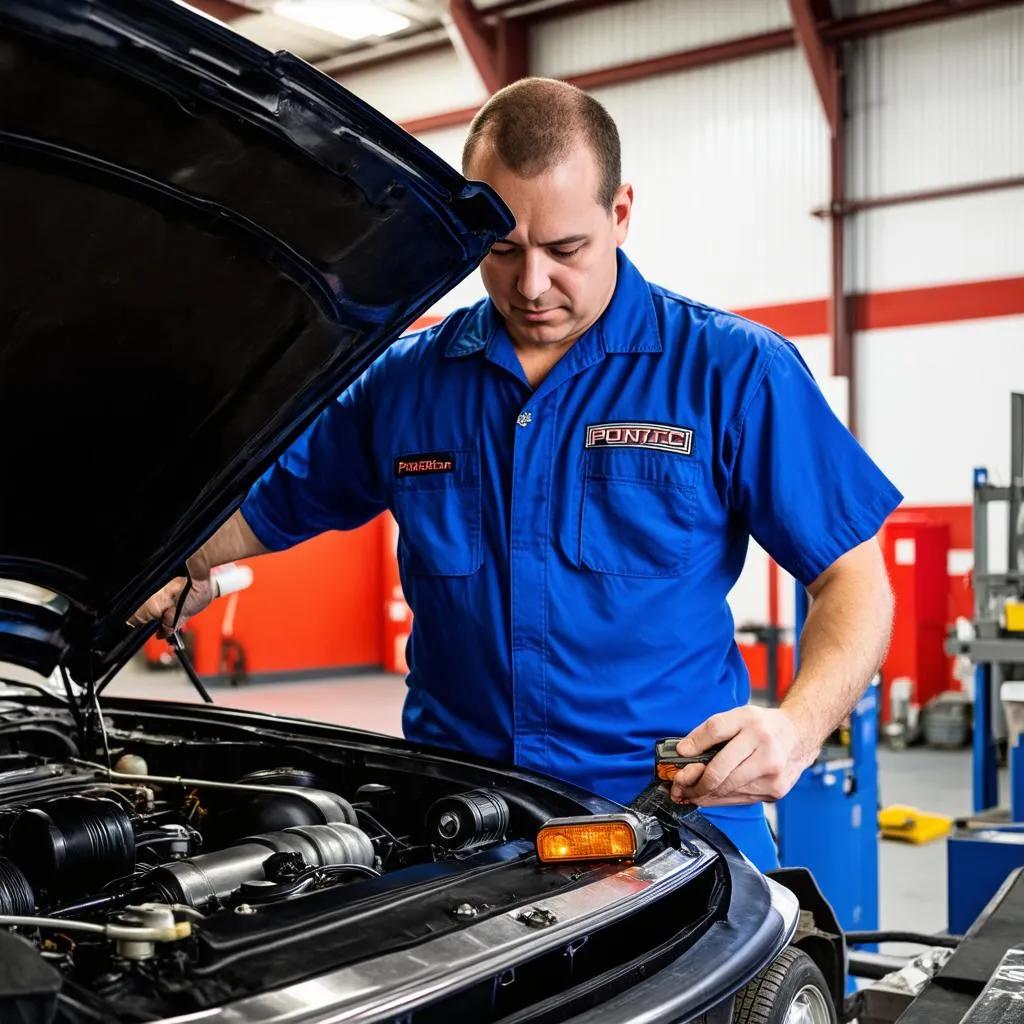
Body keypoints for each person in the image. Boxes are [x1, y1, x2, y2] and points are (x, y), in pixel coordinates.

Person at [129, 77, 900, 872]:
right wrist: (158, 564)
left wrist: (800, 727)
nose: (531, 285)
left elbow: (854, 581)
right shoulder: (404, 383)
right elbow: (254, 512)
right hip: (455, 827)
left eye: (566, 250)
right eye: (501, 249)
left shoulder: (733, 372)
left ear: (621, 215)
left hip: (676, 822)